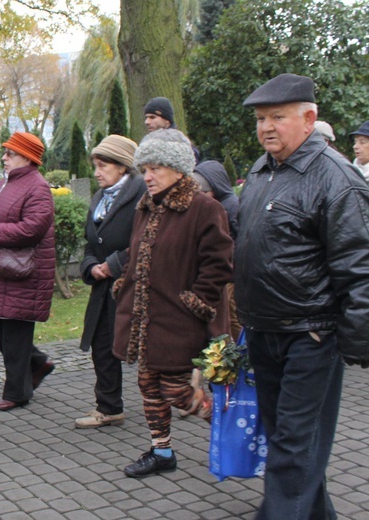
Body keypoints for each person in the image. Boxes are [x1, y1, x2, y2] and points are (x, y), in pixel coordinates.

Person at [236, 73, 369, 519]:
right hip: (264, 330)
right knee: (290, 441)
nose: (266, 127)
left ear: (309, 118)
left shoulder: (337, 179)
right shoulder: (260, 170)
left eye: (278, 117)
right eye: (260, 118)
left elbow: (359, 266)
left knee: (293, 449)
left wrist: (356, 340)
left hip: (311, 336)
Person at [112, 129, 233, 478]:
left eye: (155, 169)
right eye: (144, 169)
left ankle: (232, 425)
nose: (147, 177)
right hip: (145, 315)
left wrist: (195, 302)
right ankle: (161, 451)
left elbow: (219, 264)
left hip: (182, 319)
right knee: (148, 384)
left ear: (179, 169)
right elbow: (137, 256)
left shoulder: (205, 208)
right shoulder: (146, 207)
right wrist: (124, 285)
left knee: (177, 390)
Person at [0, 132, 56, 412]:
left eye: (10, 153)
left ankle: (18, 392)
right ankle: (36, 362)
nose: (4, 157)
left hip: (23, 273)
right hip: (0, 271)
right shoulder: (3, 184)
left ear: (27, 158)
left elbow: (33, 228)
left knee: (15, 334)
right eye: (5, 152)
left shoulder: (37, 186)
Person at [74, 135, 146, 429]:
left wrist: (114, 264)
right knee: (102, 346)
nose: (97, 172)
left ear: (122, 166)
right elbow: (91, 243)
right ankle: (109, 407)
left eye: (102, 165)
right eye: (95, 165)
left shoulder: (142, 195)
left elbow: (147, 241)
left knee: (149, 348)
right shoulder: (99, 198)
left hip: (136, 286)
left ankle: (176, 397)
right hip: (104, 289)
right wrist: (92, 267)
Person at [193, 160, 241, 340]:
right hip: (226, 273)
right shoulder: (216, 205)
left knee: (232, 316)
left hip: (233, 274)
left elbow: (241, 237)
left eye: (205, 191)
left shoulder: (231, 206)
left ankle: (239, 353)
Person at [144, 97, 200, 162]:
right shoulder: (146, 144)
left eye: (152, 117)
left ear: (167, 120)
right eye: (146, 117)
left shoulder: (184, 147)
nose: (147, 122)